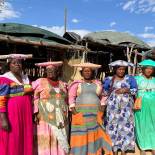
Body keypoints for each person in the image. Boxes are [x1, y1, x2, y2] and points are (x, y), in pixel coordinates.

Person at [68, 62, 112, 155]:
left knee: (95, 133)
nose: (87, 73)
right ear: (82, 73)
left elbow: (104, 95)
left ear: (92, 72)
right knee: (81, 134)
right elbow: (71, 97)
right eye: (85, 71)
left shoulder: (98, 83)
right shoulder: (76, 84)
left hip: (95, 114)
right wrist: (74, 110)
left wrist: (103, 105)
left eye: (89, 71)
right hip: (80, 114)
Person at [32, 61, 69, 155]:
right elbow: (35, 97)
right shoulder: (40, 82)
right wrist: (36, 111)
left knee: (59, 137)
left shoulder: (62, 84)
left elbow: (66, 100)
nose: (50, 72)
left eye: (52, 70)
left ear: (57, 72)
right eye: (48, 71)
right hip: (45, 116)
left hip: (61, 117)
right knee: (47, 135)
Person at [0, 54, 33, 155]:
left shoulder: (25, 78)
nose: (17, 64)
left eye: (19, 62)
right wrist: (3, 119)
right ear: (9, 65)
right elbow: (1, 100)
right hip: (12, 114)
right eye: (14, 63)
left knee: (25, 137)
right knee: (13, 139)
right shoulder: (5, 79)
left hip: (26, 114)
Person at [103, 60, 137, 155]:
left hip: (126, 107)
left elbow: (135, 90)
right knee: (112, 125)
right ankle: (113, 148)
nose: (121, 71)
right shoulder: (109, 79)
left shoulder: (130, 79)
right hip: (113, 107)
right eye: (119, 69)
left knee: (125, 125)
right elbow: (104, 92)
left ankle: (124, 149)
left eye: (123, 69)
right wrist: (113, 91)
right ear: (115, 69)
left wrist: (127, 90)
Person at [134, 59, 155, 155]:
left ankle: (153, 145)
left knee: (153, 125)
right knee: (141, 125)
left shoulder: (154, 80)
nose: (149, 70)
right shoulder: (136, 79)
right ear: (143, 69)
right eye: (147, 68)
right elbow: (132, 92)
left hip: (153, 106)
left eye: (151, 69)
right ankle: (142, 147)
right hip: (141, 106)